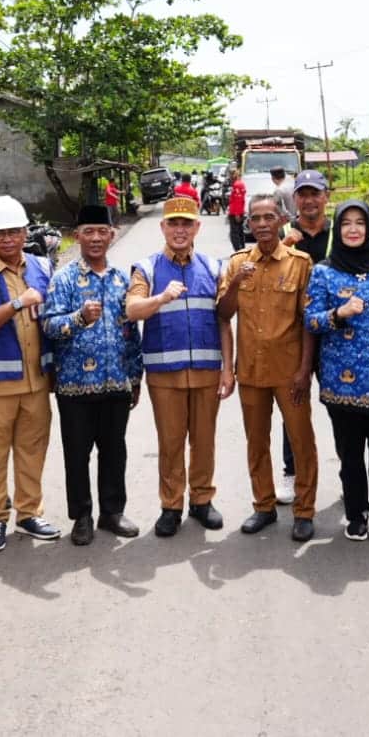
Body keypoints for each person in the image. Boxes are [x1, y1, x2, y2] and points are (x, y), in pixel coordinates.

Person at [126, 194, 235, 537]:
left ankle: (202, 500)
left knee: (204, 440)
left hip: (206, 371)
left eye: (186, 223)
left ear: (197, 227)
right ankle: (171, 505)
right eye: (173, 222)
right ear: (162, 227)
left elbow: (223, 321)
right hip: (165, 375)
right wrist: (161, 298)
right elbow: (132, 310)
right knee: (171, 442)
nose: (179, 229)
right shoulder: (146, 268)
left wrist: (228, 368)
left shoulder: (214, 267)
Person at [304, 201, 369, 542]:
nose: (353, 229)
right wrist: (339, 312)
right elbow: (310, 320)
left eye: (360, 222)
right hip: (341, 381)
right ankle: (356, 513)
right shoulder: (323, 271)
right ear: (338, 229)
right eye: (346, 223)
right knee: (350, 454)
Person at [0, 195, 61, 552]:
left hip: (37, 382)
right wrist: (18, 303)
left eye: (14, 232)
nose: (8, 239)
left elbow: (56, 316)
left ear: (24, 232)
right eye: (0, 233)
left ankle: (29, 513)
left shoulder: (43, 267)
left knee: (33, 450)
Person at [217, 194, 318, 541]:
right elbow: (224, 314)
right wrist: (234, 283)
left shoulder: (300, 263)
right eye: (255, 218)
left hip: (290, 371)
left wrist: (305, 370)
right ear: (248, 223)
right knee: (256, 442)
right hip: (251, 371)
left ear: (281, 221)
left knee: (301, 441)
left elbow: (309, 322)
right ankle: (264, 506)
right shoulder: (236, 263)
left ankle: (304, 510)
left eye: (268, 217)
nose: (261, 224)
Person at [40, 204, 142, 545]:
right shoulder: (64, 278)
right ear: (77, 236)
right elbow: (49, 326)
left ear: (112, 235)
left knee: (114, 450)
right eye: (89, 232)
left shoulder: (121, 280)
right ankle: (81, 516)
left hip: (116, 383)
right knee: (77, 454)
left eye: (102, 231)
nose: (96, 238)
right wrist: (79, 318)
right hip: (75, 386)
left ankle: (112, 512)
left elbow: (131, 332)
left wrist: (136, 376)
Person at [279, 168, 333, 492]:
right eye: (304, 194)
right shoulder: (283, 231)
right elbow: (258, 269)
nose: (310, 200)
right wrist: (282, 247)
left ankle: (348, 472)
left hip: (334, 333)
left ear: (326, 196)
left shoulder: (342, 231)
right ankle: (291, 471)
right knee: (293, 404)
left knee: (342, 404)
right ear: (295, 198)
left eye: (316, 193)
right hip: (292, 333)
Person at [226, 175, 247, 252]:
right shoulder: (241, 184)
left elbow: (238, 200)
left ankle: (238, 250)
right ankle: (242, 248)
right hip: (239, 211)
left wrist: (236, 214)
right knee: (240, 231)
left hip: (235, 212)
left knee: (234, 233)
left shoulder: (237, 185)